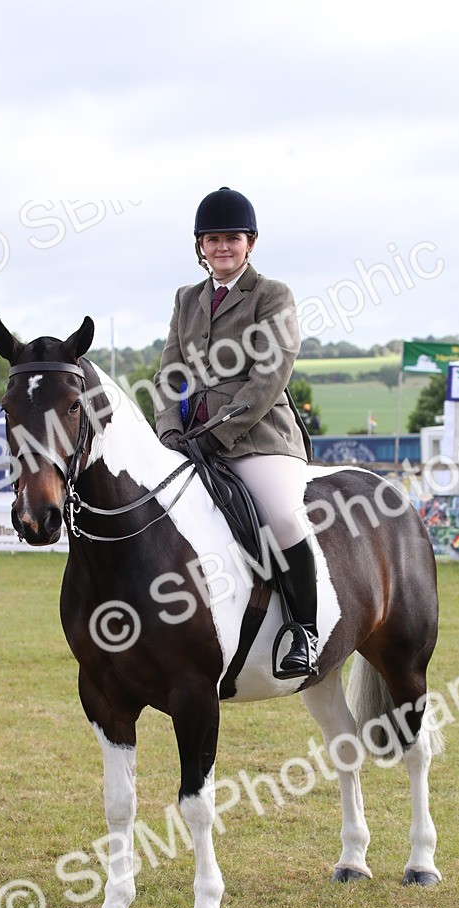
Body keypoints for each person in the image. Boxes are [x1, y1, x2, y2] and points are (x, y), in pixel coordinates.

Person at [154, 186, 317, 677]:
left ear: (250, 243)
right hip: (191, 440)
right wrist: (167, 431)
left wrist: (216, 433)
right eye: (212, 239)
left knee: (284, 519)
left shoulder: (271, 295)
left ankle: (303, 632)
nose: (222, 247)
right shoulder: (187, 299)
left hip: (259, 437)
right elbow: (170, 372)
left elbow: (269, 377)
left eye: (232, 238)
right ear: (200, 245)